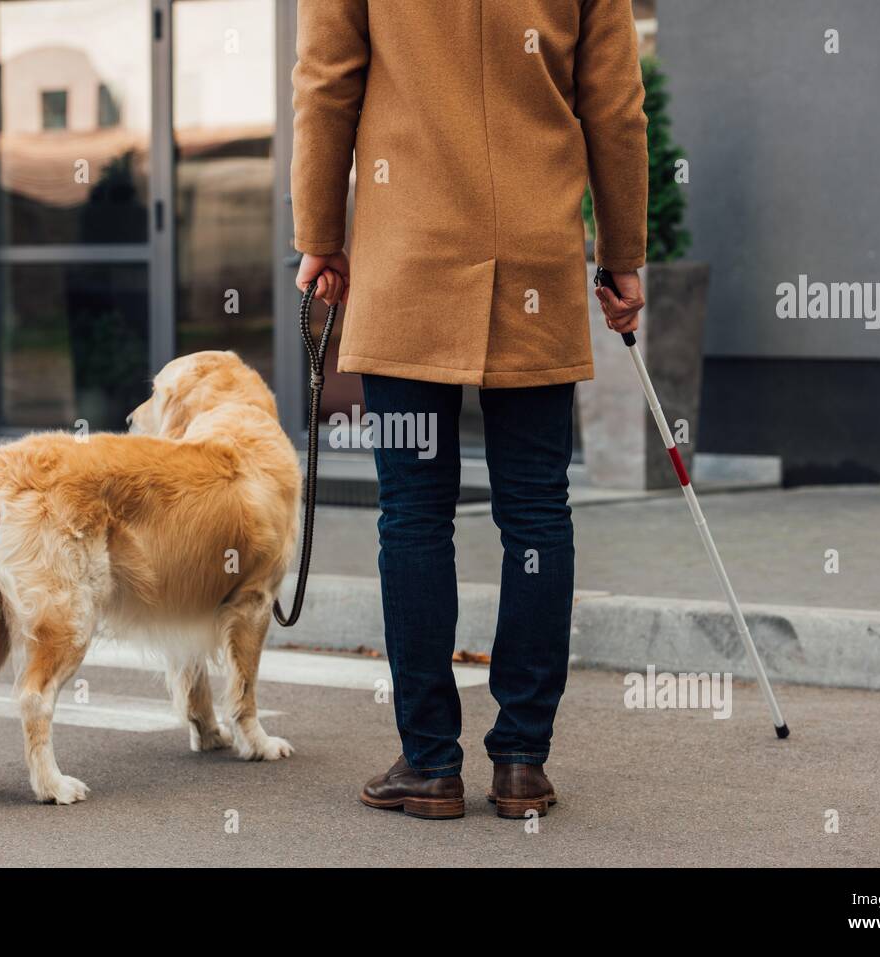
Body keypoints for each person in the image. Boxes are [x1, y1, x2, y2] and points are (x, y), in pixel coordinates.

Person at [290, 0, 648, 820]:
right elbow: (615, 105)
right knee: (535, 509)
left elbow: (326, 85)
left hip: (410, 251)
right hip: (536, 253)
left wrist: (319, 233)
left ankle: (429, 764)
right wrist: (623, 251)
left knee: (413, 511)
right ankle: (522, 760)